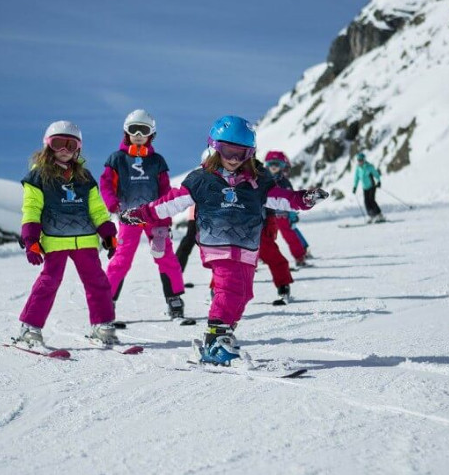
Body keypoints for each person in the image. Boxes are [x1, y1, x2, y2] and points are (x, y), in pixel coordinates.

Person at [120, 115, 329, 365]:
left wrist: (303, 199)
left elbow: (281, 199)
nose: (233, 159)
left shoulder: (257, 182)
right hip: (216, 242)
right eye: (228, 151)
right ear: (214, 148)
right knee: (228, 288)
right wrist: (142, 214)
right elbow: (171, 202)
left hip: (248, 246)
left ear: (249, 154)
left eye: (241, 154)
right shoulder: (201, 179)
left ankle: (225, 332)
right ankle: (214, 340)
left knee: (244, 293)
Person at [15, 120, 119, 347]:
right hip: (55, 240)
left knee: (97, 282)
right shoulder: (39, 176)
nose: (63, 150)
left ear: (78, 149)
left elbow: (98, 209)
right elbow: (32, 208)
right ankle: (30, 328)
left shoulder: (84, 178)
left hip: (85, 240)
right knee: (49, 282)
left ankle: (103, 326)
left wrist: (108, 234)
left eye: (70, 145)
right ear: (47, 146)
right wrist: (31, 239)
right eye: (58, 143)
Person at [99, 109, 187, 320]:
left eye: (143, 130)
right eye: (133, 129)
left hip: (154, 216)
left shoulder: (156, 160)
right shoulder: (117, 158)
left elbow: (165, 190)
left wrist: (165, 221)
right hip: (129, 216)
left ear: (151, 134)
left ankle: (174, 299)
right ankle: (107, 302)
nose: (138, 134)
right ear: (126, 132)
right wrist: (113, 205)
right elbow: (105, 184)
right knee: (121, 259)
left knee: (166, 257)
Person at [264, 150, 309, 268]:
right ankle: (258, 259)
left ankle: (300, 257)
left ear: (282, 166)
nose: (274, 167)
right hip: (266, 215)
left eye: (277, 164)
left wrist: (292, 214)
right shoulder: (262, 180)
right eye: (271, 164)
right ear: (267, 165)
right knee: (262, 238)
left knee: (291, 236)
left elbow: (292, 198)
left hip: (282, 215)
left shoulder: (284, 182)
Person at [352, 152, 385, 223]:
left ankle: (379, 215)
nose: (360, 162)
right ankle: (372, 216)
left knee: (371, 200)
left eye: (361, 160)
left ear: (364, 160)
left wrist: (379, 181)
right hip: (365, 188)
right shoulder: (358, 169)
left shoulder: (369, 167)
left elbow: (376, 174)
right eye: (358, 160)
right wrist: (355, 187)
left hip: (372, 186)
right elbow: (356, 178)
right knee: (366, 202)